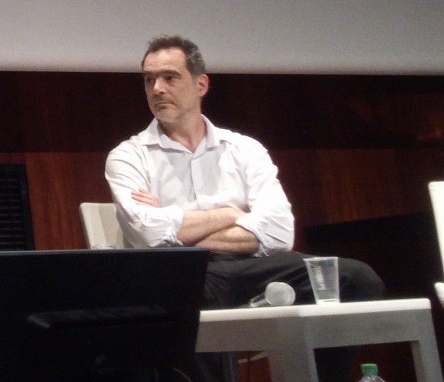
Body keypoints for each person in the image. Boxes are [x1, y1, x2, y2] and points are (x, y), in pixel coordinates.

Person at [105, 35, 384, 382]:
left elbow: (279, 232)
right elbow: (147, 234)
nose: (157, 88)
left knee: (357, 279)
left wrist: (177, 226)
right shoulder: (128, 156)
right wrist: (231, 214)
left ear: (201, 84)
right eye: (149, 80)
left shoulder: (244, 149)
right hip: (187, 275)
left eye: (169, 77)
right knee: (184, 293)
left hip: (255, 267)